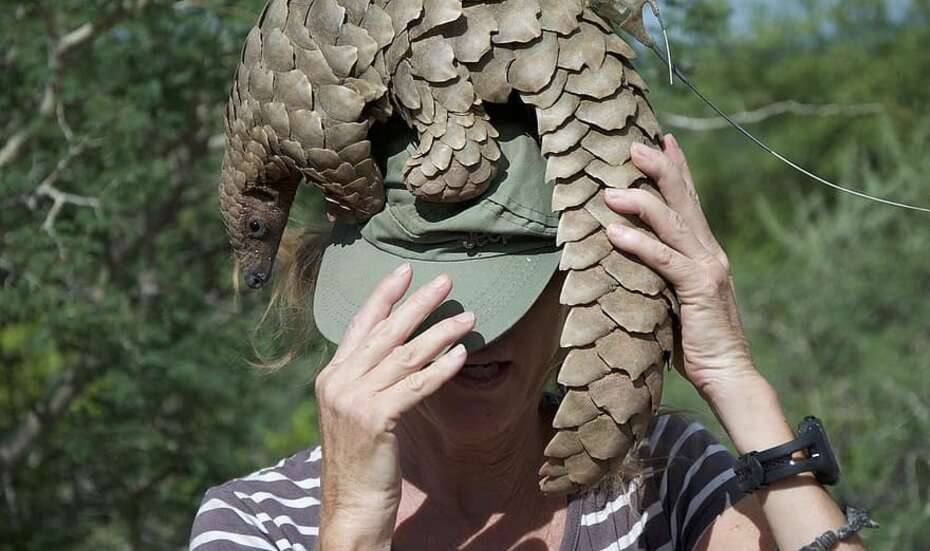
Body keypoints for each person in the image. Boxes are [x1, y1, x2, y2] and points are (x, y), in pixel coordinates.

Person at [190, 115, 869, 550]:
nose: (472, 332)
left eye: (509, 289)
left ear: (574, 287)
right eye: (430, 294)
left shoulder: (662, 478)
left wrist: (734, 378)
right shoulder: (259, 520)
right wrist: (356, 524)